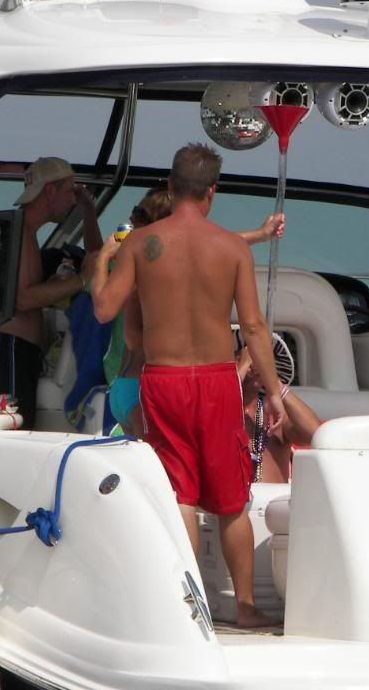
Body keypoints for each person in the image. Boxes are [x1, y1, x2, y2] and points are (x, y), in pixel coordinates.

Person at [91, 143, 285, 628]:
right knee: (231, 500)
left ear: (170, 186)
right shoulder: (232, 247)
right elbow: (254, 327)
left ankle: (188, 610)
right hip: (218, 380)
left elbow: (105, 311)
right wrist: (273, 390)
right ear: (211, 192)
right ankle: (245, 607)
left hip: (165, 380)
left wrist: (100, 263)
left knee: (180, 493)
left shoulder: (141, 244)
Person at [106, 187, 286, 437]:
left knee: (142, 458)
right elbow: (214, 243)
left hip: (122, 384)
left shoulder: (133, 260)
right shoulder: (159, 267)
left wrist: (102, 258)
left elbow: (123, 329)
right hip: (147, 387)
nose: (132, 217)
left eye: (139, 213)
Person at [0, 157, 103, 429]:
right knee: (13, 433)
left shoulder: (25, 231)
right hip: (12, 350)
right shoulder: (20, 232)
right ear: (50, 191)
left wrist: (88, 210)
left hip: (19, 351)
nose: (73, 200)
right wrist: (81, 280)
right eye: (70, 191)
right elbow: (23, 299)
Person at [237, 346, 320, 483]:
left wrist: (273, 382)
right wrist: (243, 367)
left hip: (275, 497)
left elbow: (315, 434)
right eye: (241, 357)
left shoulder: (275, 414)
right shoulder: (217, 412)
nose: (254, 364)